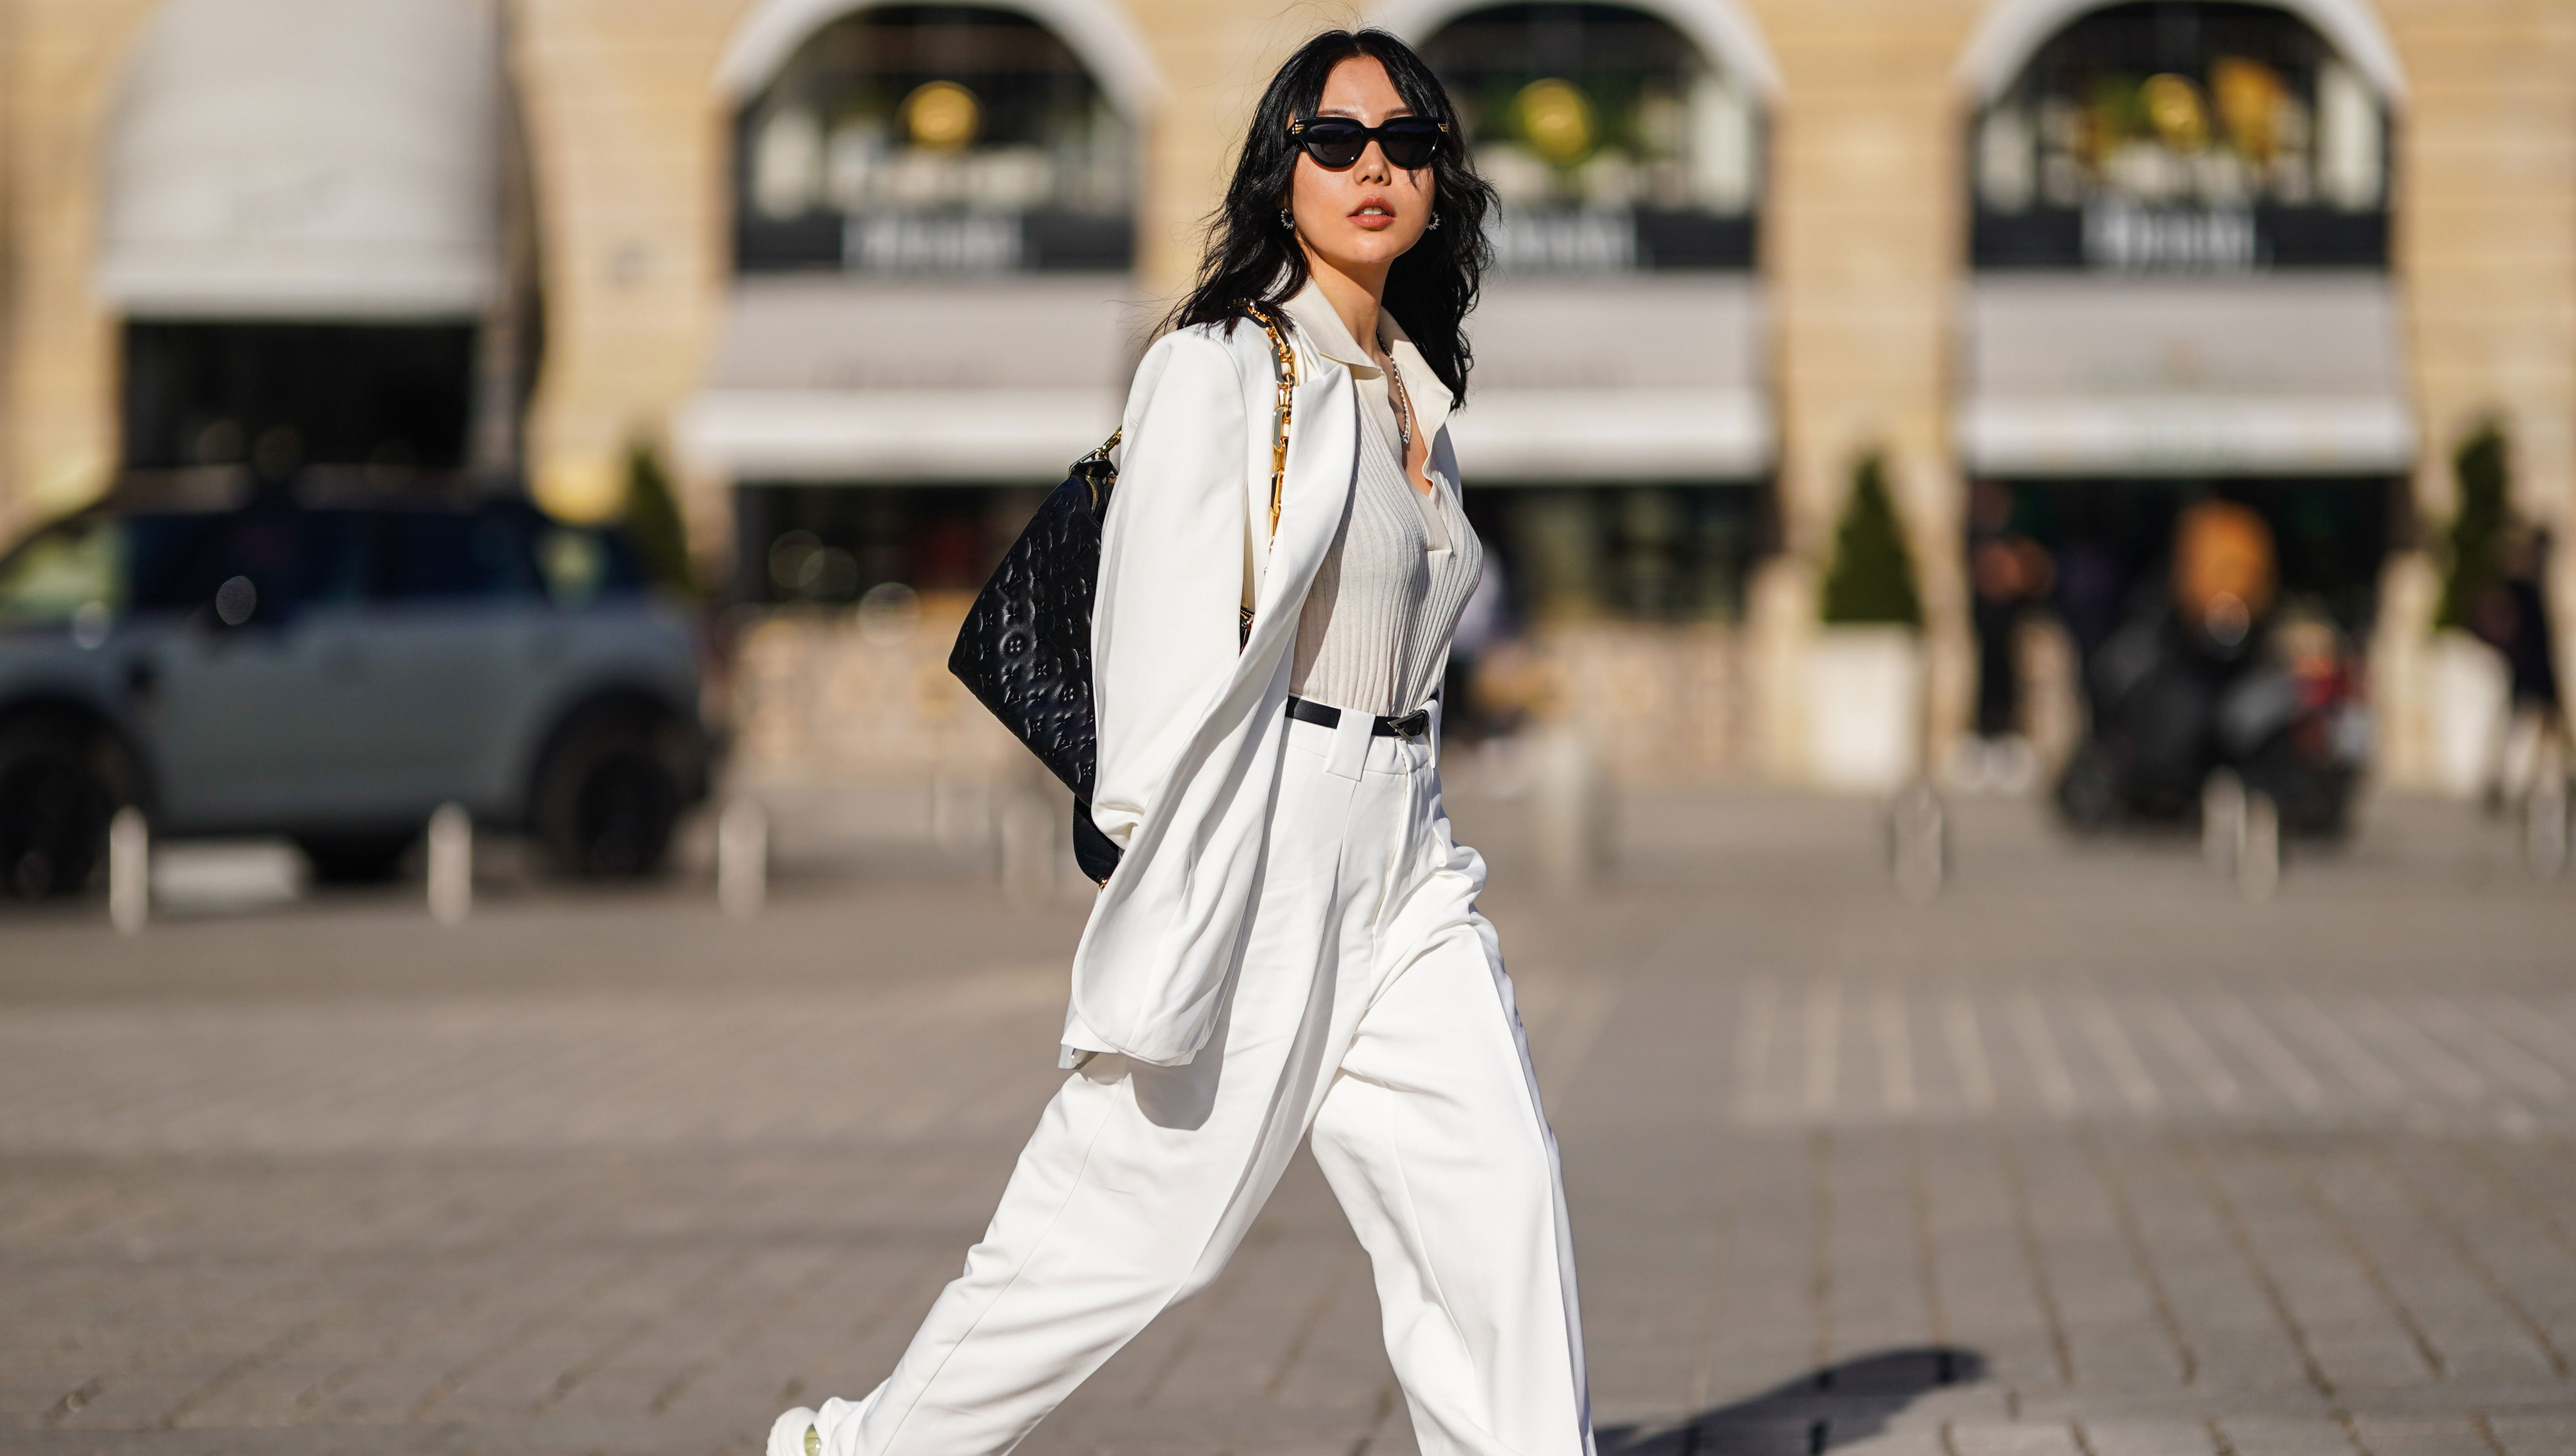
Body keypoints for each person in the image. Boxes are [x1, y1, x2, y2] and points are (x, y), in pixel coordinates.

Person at [769, 30, 1592, 1456]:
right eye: (1334, 143)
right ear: (1282, 174)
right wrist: (1159, 860)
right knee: (1139, 1230)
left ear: (1440, 180)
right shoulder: (1221, 368)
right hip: (1260, 834)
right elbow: (1151, 633)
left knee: (1494, 1192)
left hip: (1403, 851)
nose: (1371, 168)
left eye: (1403, 142)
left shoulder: (1414, 395)